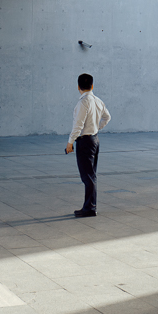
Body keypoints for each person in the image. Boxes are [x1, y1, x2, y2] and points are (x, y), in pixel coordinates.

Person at [66, 73, 111, 217]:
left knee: (88, 177)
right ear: (92, 86)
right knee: (91, 175)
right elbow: (107, 117)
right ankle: (89, 206)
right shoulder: (98, 101)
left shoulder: (83, 103)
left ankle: (90, 208)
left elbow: (78, 125)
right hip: (95, 140)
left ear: (78, 87)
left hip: (85, 142)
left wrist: (70, 143)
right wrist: (97, 128)